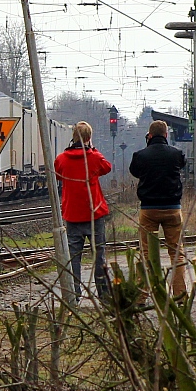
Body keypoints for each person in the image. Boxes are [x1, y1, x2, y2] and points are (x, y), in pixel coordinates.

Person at [54, 121, 113, 300]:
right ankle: (103, 294)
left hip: (72, 214)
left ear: (73, 137)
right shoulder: (94, 157)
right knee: (99, 255)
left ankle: (74, 294)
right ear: (89, 138)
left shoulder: (62, 159)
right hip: (94, 213)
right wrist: (92, 149)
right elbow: (107, 167)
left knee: (74, 256)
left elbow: (58, 173)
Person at [129, 120, 188, 298]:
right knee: (177, 253)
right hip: (172, 209)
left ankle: (142, 295)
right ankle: (180, 294)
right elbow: (181, 165)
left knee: (146, 253)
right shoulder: (176, 154)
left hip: (148, 209)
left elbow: (135, 171)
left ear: (150, 135)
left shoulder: (140, 156)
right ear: (166, 135)